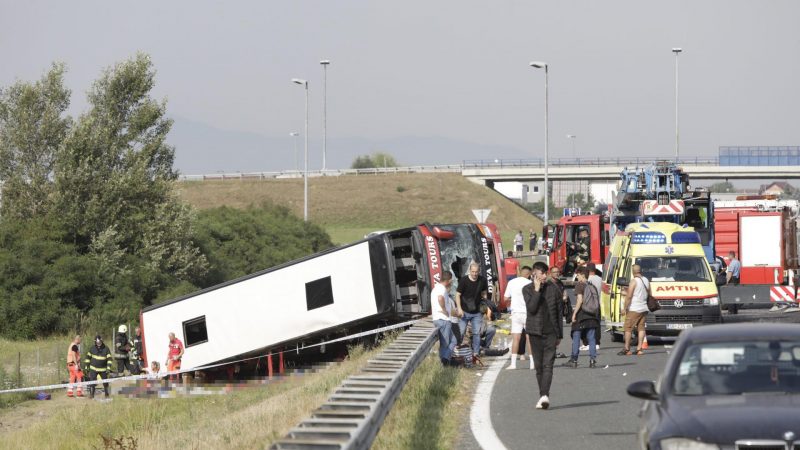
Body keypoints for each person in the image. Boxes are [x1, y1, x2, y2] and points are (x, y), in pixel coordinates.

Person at [523, 261, 563, 410]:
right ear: (534, 274)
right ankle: (542, 395)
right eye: (542, 273)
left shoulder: (554, 288)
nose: (545, 276)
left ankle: (545, 395)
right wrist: (537, 290)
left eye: (546, 273)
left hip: (551, 332)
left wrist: (560, 334)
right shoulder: (526, 289)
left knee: (548, 365)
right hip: (534, 332)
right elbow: (532, 308)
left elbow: (559, 312)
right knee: (539, 367)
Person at [564, 267, 600, 368]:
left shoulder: (580, 285)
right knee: (592, 338)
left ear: (583, 275)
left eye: (578, 275)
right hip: (591, 315)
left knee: (576, 337)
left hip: (581, 315)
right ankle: (592, 360)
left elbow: (580, 300)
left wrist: (574, 314)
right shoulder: (592, 286)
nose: (577, 277)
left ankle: (574, 360)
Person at [456, 262, 488, 359]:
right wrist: (459, 308)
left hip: (477, 312)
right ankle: (456, 350)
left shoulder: (482, 280)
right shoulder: (464, 280)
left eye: (476, 272)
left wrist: (484, 299)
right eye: (473, 272)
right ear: (470, 271)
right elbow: (457, 295)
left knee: (476, 333)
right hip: (464, 311)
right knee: (461, 331)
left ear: (479, 271)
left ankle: (475, 353)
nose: (474, 274)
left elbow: (484, 292)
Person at [504, 266, 534, 370]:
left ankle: (513, 364)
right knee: (529, 338)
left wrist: (513, 299)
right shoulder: (530, 283)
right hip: (527, 313)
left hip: (516, 313)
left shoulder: (511, 282)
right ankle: (532, 363)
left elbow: (505, 298)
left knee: (516, 338)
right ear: (528, 274)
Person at [619, 264, 650, 356]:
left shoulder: (634, 281)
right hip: (644, 308)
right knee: (641, 328)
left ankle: (627, 349)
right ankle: (639, 349)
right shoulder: (646, 280)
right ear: (640, 271)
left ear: (633, 272)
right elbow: (649, 293)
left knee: (628, 328)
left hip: (634, 308)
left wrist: (624, 308)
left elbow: (629, 296)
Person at [431, 271, 458, 365]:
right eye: (451, 280)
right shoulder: (442, 289)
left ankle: (446, 358)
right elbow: (440, 298)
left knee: (453, 340)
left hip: (438, 319)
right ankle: (444, 362)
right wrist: (444, 309)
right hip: (443, 319)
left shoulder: (436, 288)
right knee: (445, 344)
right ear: (448, 280)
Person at [84, 335, 113, 399]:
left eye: (99, 342)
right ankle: (91, 395)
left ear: (101, 341)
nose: (98, 344)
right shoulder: (92, 348)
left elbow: (109, 359)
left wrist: (108, 368)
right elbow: (88, 358)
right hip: (93, 369)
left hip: (103, 369)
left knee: (105, 382)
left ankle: (107, 394)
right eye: (97, 342)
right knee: (92, 382)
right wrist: (86, 367)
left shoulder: (106, 348)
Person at [585, 262, 603, 350]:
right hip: (598, 304)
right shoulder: (599, 279)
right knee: (597, 324)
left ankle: (590, 342)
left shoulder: (588, 279)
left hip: (589, 305)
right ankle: (597, 342)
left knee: (589, 324)